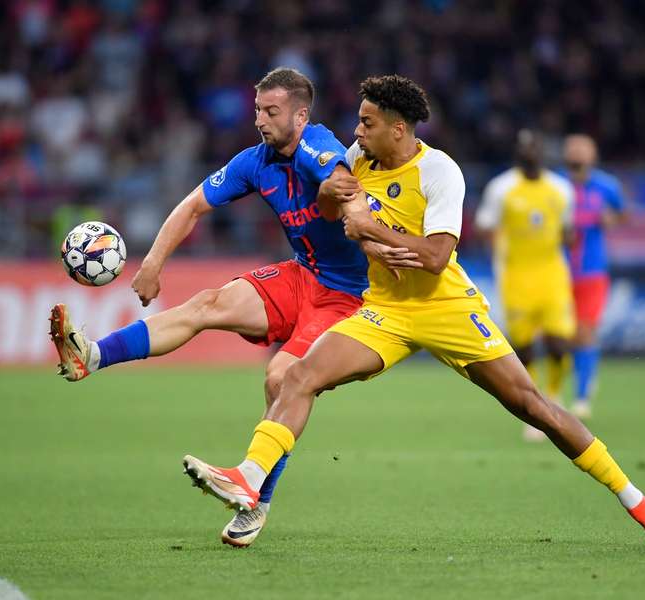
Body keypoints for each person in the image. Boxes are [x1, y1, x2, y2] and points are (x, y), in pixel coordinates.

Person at [182, 75, 645, 549]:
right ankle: (249, 478)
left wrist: (375, 234)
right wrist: (330, 200)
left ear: (398, 128)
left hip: (446, 308)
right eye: (358, 121)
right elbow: (336, 215)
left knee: (533, 406)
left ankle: (634, 499)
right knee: (299, 375)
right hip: (385, 312)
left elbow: (437, 255)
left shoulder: (439, 171)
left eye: (367, 122)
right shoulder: (356, 159)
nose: (356, 132)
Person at [48, 67, 419, 548]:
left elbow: (345, 188)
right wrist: (152, 264)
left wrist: (365, 229)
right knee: (207, 303)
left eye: (272, 111)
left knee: (279, 378)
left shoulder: (317, 144)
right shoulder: (254, 161)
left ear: (300, 115)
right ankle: (91, 356)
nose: (261, 120)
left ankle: (255, 499)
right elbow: (191, 206)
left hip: (351, 297)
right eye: (258, 110)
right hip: (302, 275)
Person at [475, 129, 576, 441]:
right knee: (526, 348)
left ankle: (555, 395)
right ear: (518, 154)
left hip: (552, 275)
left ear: (543, 152)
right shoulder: (501, 188)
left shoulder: (561, 189)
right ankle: (535, 408)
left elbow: (568, 231)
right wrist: (500, 257)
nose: (530, 153)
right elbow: (486, 226)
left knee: (559, 342)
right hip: (516, 277)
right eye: (525, 149)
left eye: (535, 147)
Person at [561, 135, 627, 418]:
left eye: (582, 149)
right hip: (559, 270)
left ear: (593, 154)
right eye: (573, 149)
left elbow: (623, 214)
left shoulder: (607, 185)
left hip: (591, 270)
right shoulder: (556, 185)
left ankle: (583, 394)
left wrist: (610, 219)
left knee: (585, 331)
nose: (577, 154)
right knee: (563, 334)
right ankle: (562, 389)